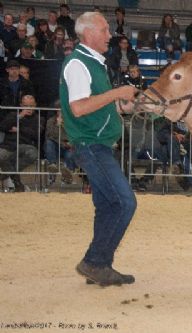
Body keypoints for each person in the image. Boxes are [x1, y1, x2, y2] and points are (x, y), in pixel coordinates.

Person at [59, 12, 138, 286]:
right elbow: (79, 107)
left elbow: (95, 103)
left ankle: (100, 266)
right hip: (91, 144)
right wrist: (116, 94)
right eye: (105, 30)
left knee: (107, 206)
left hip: (97, 144)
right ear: (90, 33)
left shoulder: (93, 64)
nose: (110, 35)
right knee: (126, 202)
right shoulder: (78, 64)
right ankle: (94, 261)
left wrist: (122, 106)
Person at [0, 94, 42, 192]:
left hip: (26, 146)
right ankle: (17, 183)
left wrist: (19, 129)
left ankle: (5, 175)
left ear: (35, 105)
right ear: (20, 105)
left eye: (31, 106)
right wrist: (20, 116)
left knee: (33, 153)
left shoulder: (39, 118)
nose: (28, 108)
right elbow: (3, 126)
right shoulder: (13, 115)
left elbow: (35, 134)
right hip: (9, 146)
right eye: (26, 106)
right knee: (1, 155)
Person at [44, 108, 75, 184]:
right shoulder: (51, 121)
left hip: (69, 147)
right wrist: (58, 125)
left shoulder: (73, 120)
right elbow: (50, 135)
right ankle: (52, 165)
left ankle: (68, 174)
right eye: (59, 111)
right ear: (57, 112)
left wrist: (71, 143)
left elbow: (76, 135)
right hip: (56, 146)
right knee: (49, 143)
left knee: (70, 155)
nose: (62, 113)